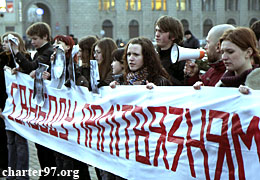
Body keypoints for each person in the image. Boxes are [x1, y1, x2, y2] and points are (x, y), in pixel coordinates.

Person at [9, 22, 57, 180]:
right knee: (41, 146)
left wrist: (16, 52)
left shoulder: (48, 52)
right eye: (31, 39)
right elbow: (30, 69)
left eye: (35, 38)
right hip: (42, 106)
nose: (32, 42)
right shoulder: (40, 51)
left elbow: (32, 67)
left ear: (45, 37)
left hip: (49, 108)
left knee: (46, 149)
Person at [0, 32, 31, 180]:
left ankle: (22, 175)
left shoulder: (24, 57)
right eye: (4, 41)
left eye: (9, 41)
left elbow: (29, 71)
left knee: (20, 141)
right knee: (10, 142)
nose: (6, 44)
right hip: (7, 105)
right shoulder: (1, 59)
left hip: (21, 107)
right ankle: (11, 173)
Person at [155, 15, 185, 85]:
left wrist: (162, 73)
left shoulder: (182, 58)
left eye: (161, 31)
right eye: (156, 30)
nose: (157, 34)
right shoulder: (153, 55)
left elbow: (183, 86)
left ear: (173, 36)